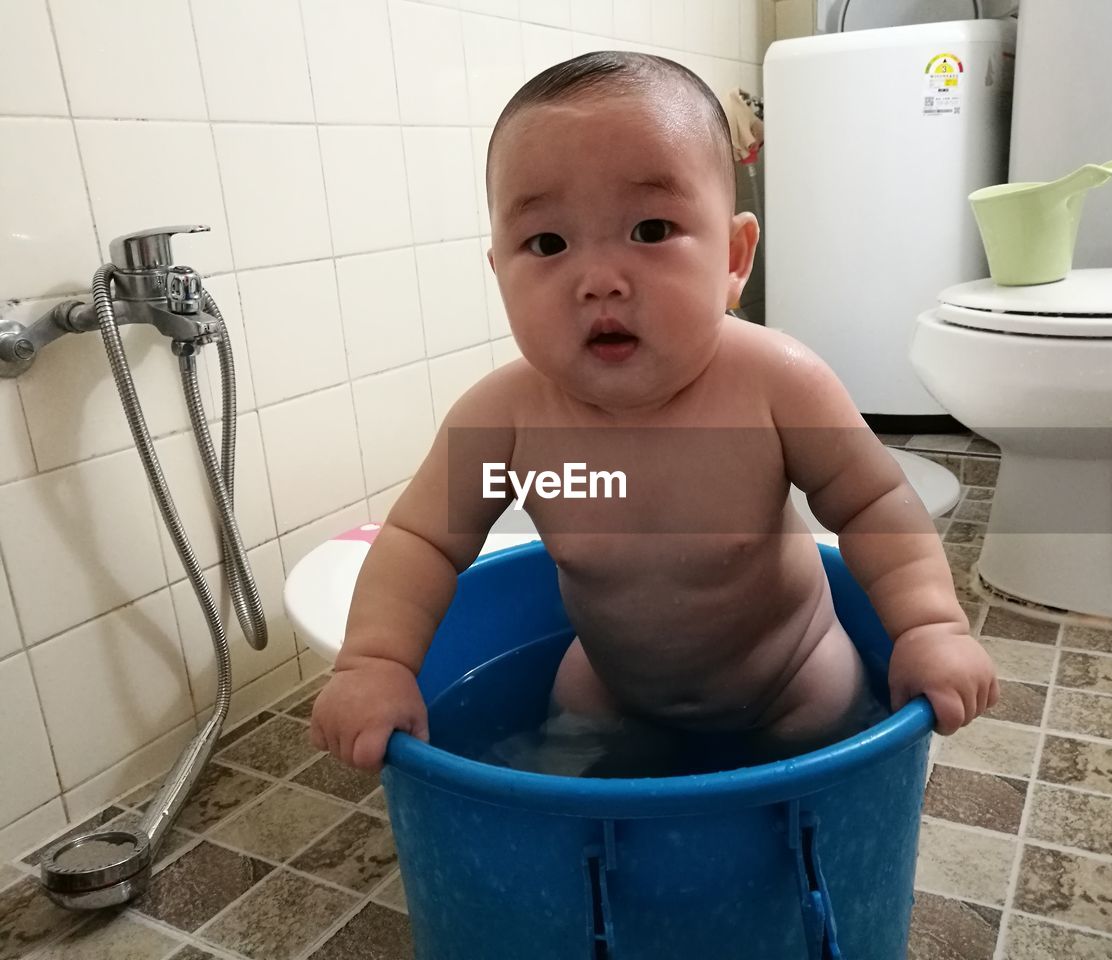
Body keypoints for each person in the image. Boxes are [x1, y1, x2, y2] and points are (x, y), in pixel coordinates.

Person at [309, 51, 998, 775]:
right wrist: (375, 662)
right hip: (614, 686)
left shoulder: (776, 384)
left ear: (734, 258)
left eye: (650, 231)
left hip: (792, 682)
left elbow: (873, 504)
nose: (599, 281)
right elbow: (421, 539)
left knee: (816, 755)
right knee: (564, 753)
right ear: (499, 274)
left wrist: (930, 625)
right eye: (547, 243)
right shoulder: (502, 418)